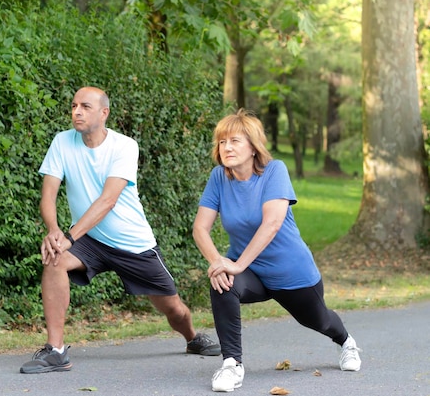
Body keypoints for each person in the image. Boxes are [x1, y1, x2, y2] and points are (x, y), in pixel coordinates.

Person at [20, 86, 220, 374]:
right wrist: (54, 231)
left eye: (85, 107)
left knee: (173, 309)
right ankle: (56, 351)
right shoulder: (62, 142)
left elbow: (108, 200)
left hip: (132, 243)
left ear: (104, 113)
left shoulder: (125, 146)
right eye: (74, 105)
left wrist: (69, 236)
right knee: (54, 258)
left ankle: (192, 338)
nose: (76, 111)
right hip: (89, 240)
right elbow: (48, 194)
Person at [192, 109, 362, 392]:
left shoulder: (274, 171)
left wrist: (235, 263)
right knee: (222, 282)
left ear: (253, 147)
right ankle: (232, 364)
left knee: (318, 320)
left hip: (291, 272)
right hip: (251, 272)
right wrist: (218, 262)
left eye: (235, 140)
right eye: (222, 142)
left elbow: (271, 224)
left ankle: (346, 342)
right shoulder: (219, 178)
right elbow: (200, 228)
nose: (227, 147)